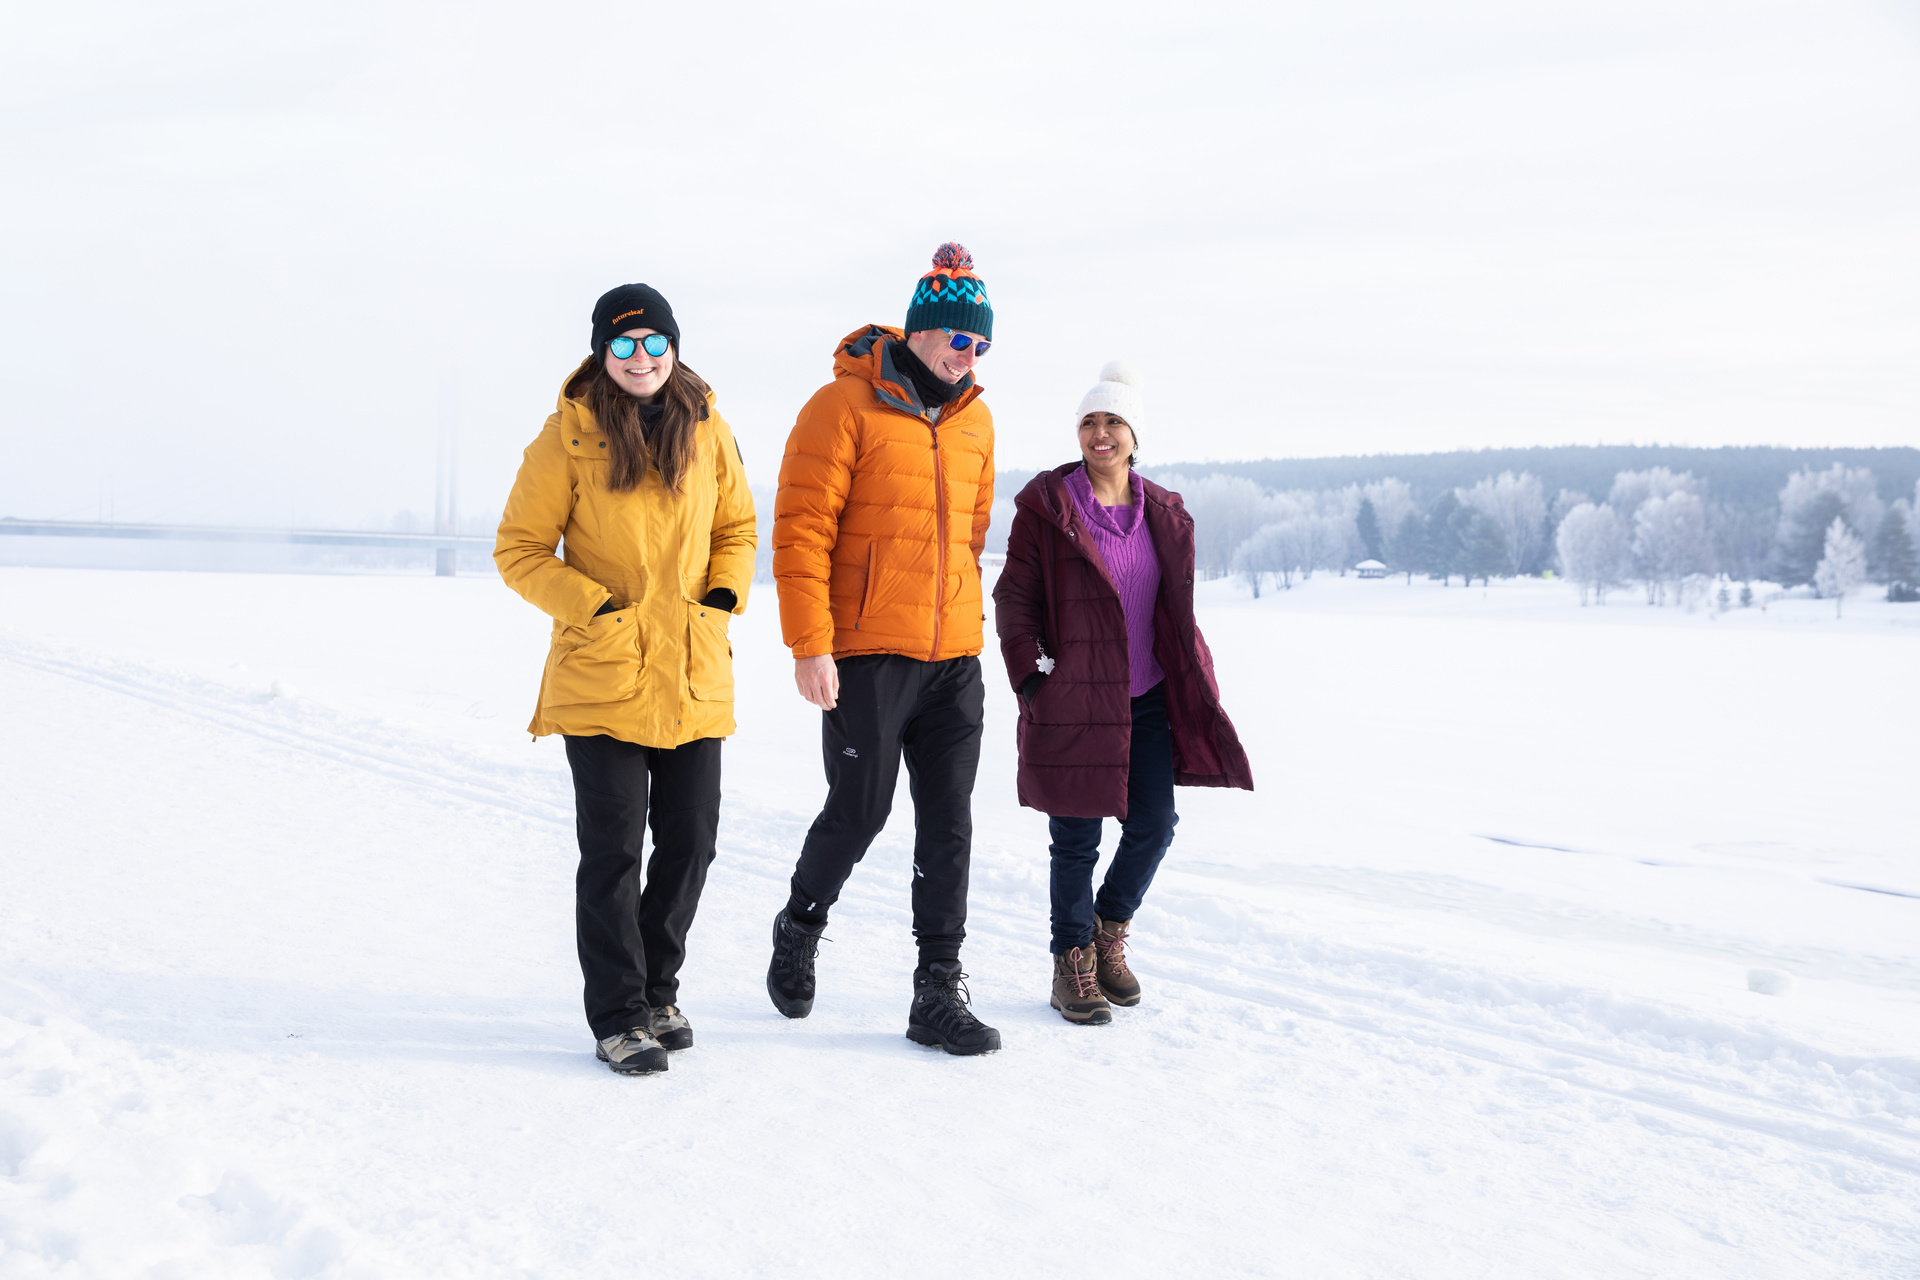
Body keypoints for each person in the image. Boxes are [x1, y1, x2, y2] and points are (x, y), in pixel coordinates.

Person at [496, 284, 756, 1075]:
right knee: (612, 852)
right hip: (604, 678)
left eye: (654, 343)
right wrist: (598, 607)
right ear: (602, 353)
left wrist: (721, 597)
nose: (641, 359)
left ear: (672, 347)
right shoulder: (565, 438)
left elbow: (737, 527)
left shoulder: (708, 425)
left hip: (692, 670)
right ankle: (617, 1015)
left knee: (691, 844)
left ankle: (656, 989)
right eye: (624, 345)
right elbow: (520, 551)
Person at [767, 243, 1002, 1055]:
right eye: (953, 338)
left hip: (955, 657)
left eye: (977, 345)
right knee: (861, 810)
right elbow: (800, 531)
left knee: (950, 823)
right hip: (867, 652)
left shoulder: (975, 421)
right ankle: (800, 923)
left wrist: (964, 623)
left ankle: (936, 989)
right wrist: (810, 644)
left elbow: (971, 534)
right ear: (921, 327)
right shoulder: (842, 408)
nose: (963, 355)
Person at [991, 362, 1253, 1025]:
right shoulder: (1046, 509)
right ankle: (1070, 962)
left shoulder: (1165, 512)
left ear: (1135, 434)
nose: (1100, 433)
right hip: (1075, 697)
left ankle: (1108, 934)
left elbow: (1174, 605)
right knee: (1075, 841)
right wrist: (1032, 676)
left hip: (1150, 697)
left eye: (1113, 422)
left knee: (1154, 826)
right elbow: (1015, 600)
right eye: (1089, 422)